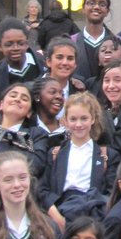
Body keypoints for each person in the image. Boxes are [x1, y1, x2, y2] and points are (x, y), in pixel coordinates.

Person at [41, 92, 114, 227]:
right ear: (66, 121)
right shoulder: (55, 154)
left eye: (84, 118)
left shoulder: (107, 155)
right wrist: (56, 216)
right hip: (61, 210)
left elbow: (111, 193)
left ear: (92, 119)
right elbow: (44, 190)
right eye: (73, 119)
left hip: (93, 211)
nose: (78, 124)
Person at [0, 19, 46, 129]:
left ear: (27, 43)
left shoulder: (44, 64)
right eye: (9, 44)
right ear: (0, 47)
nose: (15, 48)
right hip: (8, 135)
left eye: (20, 43)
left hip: (42, 132)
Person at [73, 0, 121, 79]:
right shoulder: (71, 42)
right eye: (91, 3)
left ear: (107, 11)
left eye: (102, 4)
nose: (96, 7)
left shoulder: (120, 43)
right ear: (83, 9)